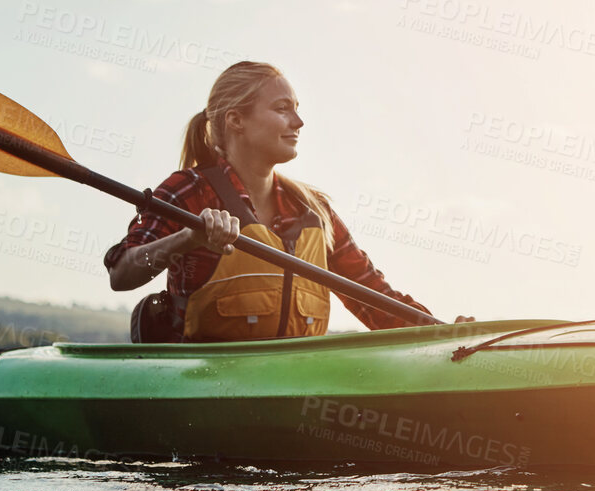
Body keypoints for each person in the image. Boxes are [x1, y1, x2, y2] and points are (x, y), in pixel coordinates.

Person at [105, 60, 442, 342]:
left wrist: (449, 334)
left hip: (294, 393)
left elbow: (376, 300)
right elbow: (122, 274)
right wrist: (188, 239)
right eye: (282, 109)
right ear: (236, 120)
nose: (298, 122)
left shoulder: (314, 210)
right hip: (202, 389)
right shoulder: (189, 191)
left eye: (296, 109)